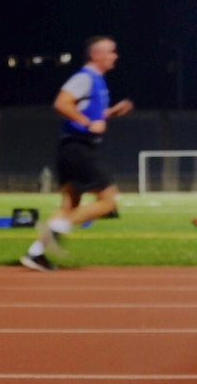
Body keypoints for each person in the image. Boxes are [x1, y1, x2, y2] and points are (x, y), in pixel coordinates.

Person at [21, 36, 133, 271]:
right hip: (79, 147)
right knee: (108, 202)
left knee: (70, 205)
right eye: (112, 52)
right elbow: (62, 103)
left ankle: (35, 254)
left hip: (73, 147)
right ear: (97, 55)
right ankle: (55, 228)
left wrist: (110, 113)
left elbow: (92, 115)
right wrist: (87, 123)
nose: (116, 56)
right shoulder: (85, 78)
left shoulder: (98, 82)